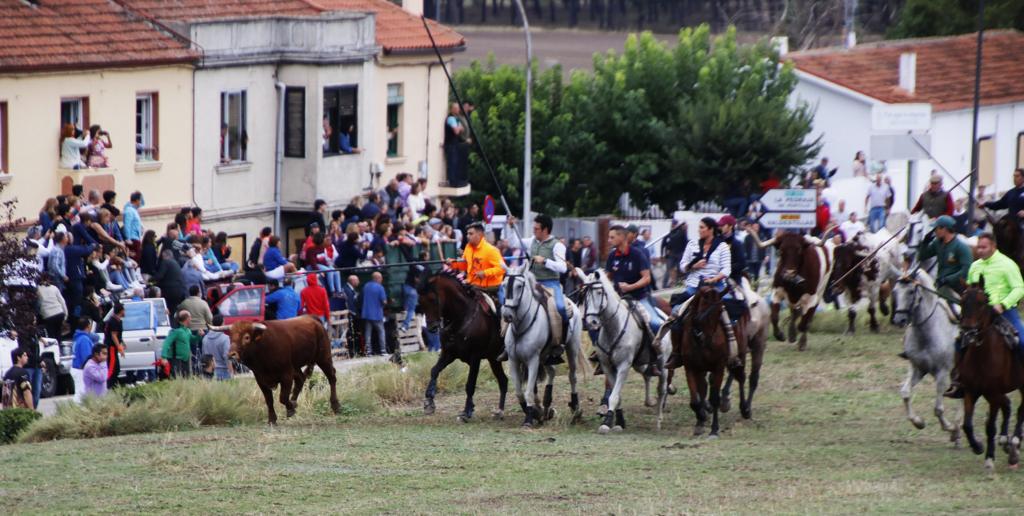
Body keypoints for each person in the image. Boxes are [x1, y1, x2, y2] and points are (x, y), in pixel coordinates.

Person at [946, 233, 1024, 398]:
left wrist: (1002, 305)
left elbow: (1019, 288)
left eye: (984, 247)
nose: (980, 250)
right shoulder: (975, 266)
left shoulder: (1007, 264)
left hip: (1004, 311)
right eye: (979, 247)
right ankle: (960, 381)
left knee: (1022, 341)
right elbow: (970, 290)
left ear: (993, 246)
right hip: (979, 314)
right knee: (960, 341)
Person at [673, 217, 739, 367]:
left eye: (702, 227)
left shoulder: (722, 246)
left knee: (731, 315)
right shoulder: (692, 244)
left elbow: (726, 270)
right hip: (694, 286)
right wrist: (694, 265)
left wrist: (714, 279)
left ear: (711, 229)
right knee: (676, 314)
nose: (699, 230)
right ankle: (676, 353)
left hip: (715, 288)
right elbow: (682, 266)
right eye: (699, 227)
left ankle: (734, 351)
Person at [525, 214, 569, 364]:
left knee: (560, 308)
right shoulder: (532, 241)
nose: (534, 231)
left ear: (545, 230)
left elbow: (563, 268)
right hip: (533, 283)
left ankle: (558, 344)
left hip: (551, 284)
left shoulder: (557, 245)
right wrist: (511, 227)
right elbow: (514, 242)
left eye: (536, 229)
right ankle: (507, 342)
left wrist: (545, 261)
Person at [446, 222, 506, 305]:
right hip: (473, 285)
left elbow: (502, 268)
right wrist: (452, 263)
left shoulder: (491, 250)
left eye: (471, 234)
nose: (467, 236)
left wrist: (485, 273)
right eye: (467, 234)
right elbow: (465, 265)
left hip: (489, 287)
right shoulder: (468, 247)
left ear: (480, 235)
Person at [151, 249, 187, 313]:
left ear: (166, 256)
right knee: (173, 311)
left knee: (167, 310)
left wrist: (150, 279)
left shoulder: (166, 262)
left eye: (163, 257)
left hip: (170, 291)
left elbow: (159, 276)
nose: (162, 259)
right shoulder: (175, 263)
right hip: (179, 290)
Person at [361, 272, 388, 356]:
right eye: (380, 278)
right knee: (381, 332)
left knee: (368, 333)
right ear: (377, 278)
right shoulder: (380, 288)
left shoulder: (366, 286)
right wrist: (385, 304)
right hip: (377, 314)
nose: (381, 280)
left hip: (366, 313)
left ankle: (368, 351)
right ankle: (383, 351)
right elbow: (384, 301)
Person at [163, 311, 194, 378]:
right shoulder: (176, 331)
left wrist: (199, 336)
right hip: (176, 360)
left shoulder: (188, 330)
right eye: (190, 317)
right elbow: (166, 343)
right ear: (187, 319)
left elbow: (193, 339)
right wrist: (164, 357)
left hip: (186, 359)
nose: (191, 319)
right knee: (177, 378)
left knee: (187, 378)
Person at [37, 273, 68, 340]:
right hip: (59, 312)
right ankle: (59, 348)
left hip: (48, 314)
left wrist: (40, 313)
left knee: (51, 335)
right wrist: (65, 314)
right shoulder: (54, 288)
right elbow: (62, 301)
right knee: (58, 332)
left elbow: (39, 303)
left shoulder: (38, 289)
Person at [202, 315, 233, 380]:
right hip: (224, 372)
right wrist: (231, 373)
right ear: (222, 324)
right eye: (224, 323)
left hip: (209, 372)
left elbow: (204, 356)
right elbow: (227, 357)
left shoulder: (205, 339)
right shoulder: (225, 338)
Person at [71, 317, 94, 403]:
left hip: (76, 367)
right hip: (81, 370)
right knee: (81, 394)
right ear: (88, 326)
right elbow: (87, 357)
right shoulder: (84, 339)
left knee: (80, 392)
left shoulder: (77, 338)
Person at [661, 220, 688, 289]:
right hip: (671, 254)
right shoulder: (669, 234)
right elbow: (663, 244)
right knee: (668, 270)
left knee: (680, 269)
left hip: (680, 254)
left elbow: (685, 242)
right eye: (673, 225)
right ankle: (664, 285)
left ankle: (678, 284)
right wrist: (662, 254)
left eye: (675, 225)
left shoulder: (681, 233)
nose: (673, 226)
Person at [104, 303, 125, 389]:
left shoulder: (118, 321)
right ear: (121, 311)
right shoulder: (113, 321)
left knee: (116, 368)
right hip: (111, 347)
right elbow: (113, 335)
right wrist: (119, 347)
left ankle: (114, 385)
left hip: (114, 348)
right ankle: (109, 386)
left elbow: (118, 335)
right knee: (112, 368)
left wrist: (122, 342)